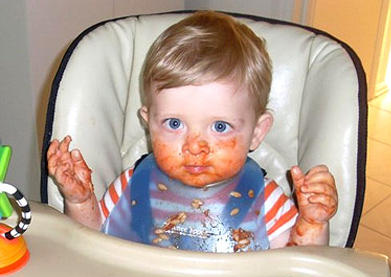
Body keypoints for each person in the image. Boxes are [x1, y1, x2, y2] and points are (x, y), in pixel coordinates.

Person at [47, 11, 337, 252]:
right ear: (148, 123)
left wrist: (312, 224)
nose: (194, 147)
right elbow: (94, 243)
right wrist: (81, 201)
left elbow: (298, 269)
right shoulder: (133, 185)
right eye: (174, 124)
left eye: (220, 127)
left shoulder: (264, 201)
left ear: (258, 132)